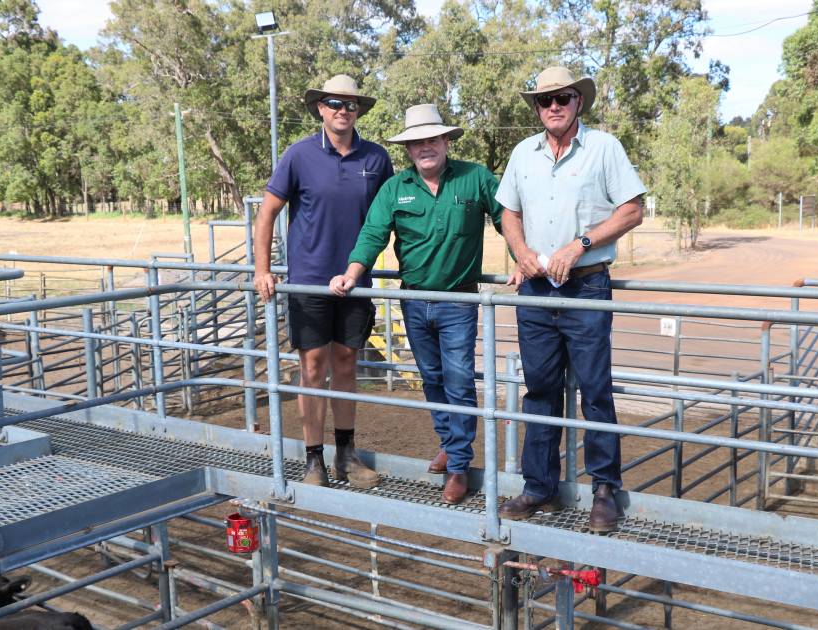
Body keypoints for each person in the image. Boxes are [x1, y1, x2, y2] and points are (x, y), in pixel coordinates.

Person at [495, 66, 646, 532]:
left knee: (595, 390)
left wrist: (579, 245)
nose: (554, 106)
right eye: (545, 101)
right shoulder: (524, 154)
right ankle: (539, 486)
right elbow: (508, 212)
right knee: (539, 388)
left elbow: (633, 210)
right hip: (537, 289)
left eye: (562, 97)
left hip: (585, 283)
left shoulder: (604, 148)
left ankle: (604, 489)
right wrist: (521, 253)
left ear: (579, 101)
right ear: (537, 108)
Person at [330, 104, 503, 504]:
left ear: (446, 141)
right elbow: (373, 234)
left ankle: (459, 465)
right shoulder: (395, 188)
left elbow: (507, 217)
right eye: (416, 142)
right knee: (432, 379)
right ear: (408, 149)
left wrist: (523, 258)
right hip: (413, 299)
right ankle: (449, 440)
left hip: (456, 300)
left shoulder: (475, 178)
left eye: (432, 139)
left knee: (458, 380)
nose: (425, 147)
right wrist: (352, 274)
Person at [253, 74, 393, 489]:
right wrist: (263, 270)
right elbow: (267, 214)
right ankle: (313, 458)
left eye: (350, 105)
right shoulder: (298, 156)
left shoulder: (377, 158)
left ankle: (346, 456)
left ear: (358, 111)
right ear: (320, 108)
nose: (342, 111)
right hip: (309, 282)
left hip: (356, 280)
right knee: (312, 367)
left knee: (348, 363)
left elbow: (389, 216)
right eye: (334, 103)